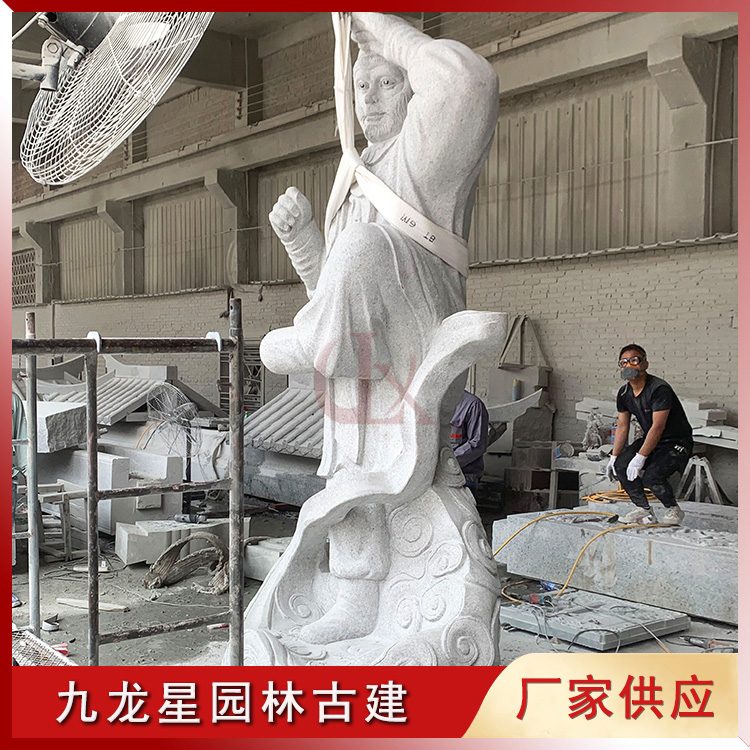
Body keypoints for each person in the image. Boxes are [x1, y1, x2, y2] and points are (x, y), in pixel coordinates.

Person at [260, 12, 499, 645]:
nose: (369, 99)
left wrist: (382, 31)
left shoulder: (423, 156)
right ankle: (356, 598)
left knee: (364, 246)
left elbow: (468, 84)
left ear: (412, 86)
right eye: (360, 86)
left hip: (413, 338)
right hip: (358, 359)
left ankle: (308, 345)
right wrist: (304, 241)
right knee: (352, 469)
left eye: (387, 83)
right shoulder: (354, 173)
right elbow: (334, 293)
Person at [606, 344, 693, 525]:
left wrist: (641, 457)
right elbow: (622, 426)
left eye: (634, 360)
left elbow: (658, 427)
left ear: (645, 364)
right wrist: (614, 457)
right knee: (621, 466)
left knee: (652, 476)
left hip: (676, 441)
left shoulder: (659, 389)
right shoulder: (624, 393)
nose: (629, 365)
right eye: (623, 362)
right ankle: (643, 510)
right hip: (654, 439)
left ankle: (673, 509)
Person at [450, 391, 489, 489]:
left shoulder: (473, 405)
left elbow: (477, 444)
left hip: (464, 476)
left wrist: (448, 462)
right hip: (437, 474)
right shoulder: (433, 402)